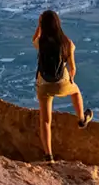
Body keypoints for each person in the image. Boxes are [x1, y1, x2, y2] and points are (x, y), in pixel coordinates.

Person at [32, 9, 92, 162]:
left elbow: (34, 38)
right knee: (76, 92)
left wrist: (39, 26)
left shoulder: (41, 42)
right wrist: (70, 79)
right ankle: (81, 120)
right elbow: (72, 68)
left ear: (43, 25)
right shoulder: (67, 44)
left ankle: (48, 156)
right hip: (61, 83)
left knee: (45, 120)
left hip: (44, 85)